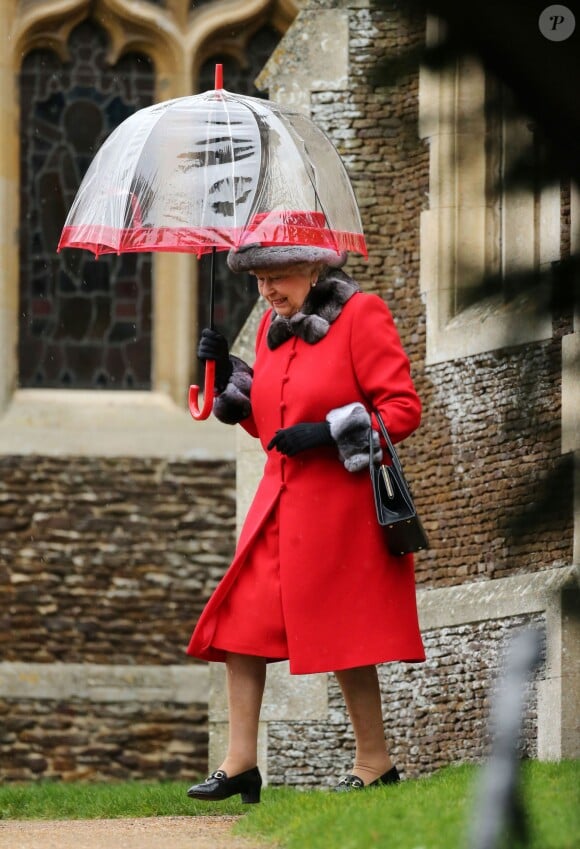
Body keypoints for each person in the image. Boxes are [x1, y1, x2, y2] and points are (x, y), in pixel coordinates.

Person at [186, 243, 425, 803]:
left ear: (316, 267)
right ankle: (241, 761)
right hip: (278, 506)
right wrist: (228, 383)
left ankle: (374, 761)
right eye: (259, 280)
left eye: (279, 277)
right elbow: (269, 423)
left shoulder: (362, 315)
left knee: (344, 634)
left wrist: (328, 431)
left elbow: (403, 409)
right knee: (241, 624)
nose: (268, 291)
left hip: (340, 512)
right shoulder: (275, 328)